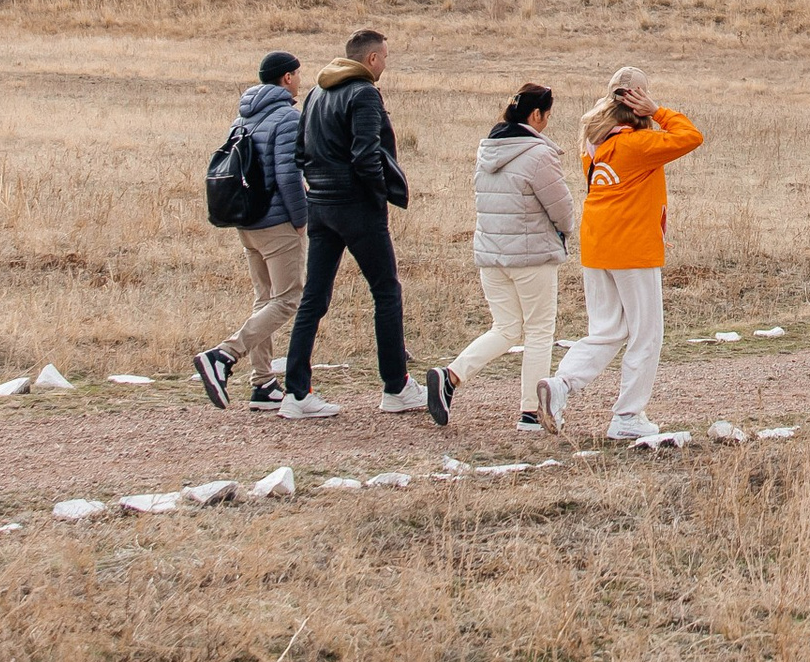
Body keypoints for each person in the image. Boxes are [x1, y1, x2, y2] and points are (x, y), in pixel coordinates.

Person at [543, 67, 703, 441]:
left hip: (598, 245)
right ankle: (628, 415)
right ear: (638, 101)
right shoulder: (637, 145)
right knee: (646, 334)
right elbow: (691, 137)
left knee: (607, 330)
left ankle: (561, 385)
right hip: (633, 249)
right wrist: (658, 110)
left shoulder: (594, 143)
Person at [280, 27, 419, 418]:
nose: (385, 65)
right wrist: (378, 196)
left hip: (319, 205)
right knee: (386, 292)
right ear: (372, 59)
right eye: (385, 58)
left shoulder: (316, 93)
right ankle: (396, 386)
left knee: (315, 297)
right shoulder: (364, 94)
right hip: (356, 206)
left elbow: (300, 152)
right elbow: (365, 155)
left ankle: (296, 392)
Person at [424, 83, 573, 431]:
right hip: (532, 256)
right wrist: (563, 232)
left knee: (505, 328)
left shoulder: (487, 150)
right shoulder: (539, 154)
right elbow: (563, 211)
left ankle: (451, 376)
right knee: (538, 331)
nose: (547, 122)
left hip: (491, 255)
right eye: (547, 115)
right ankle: (531, 412)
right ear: (536, 115)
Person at [193, 49, 307, 408]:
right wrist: (301, 220)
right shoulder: (288, 117)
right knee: (289, 299)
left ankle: (263, 384)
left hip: (247, 221)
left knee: (264, 299)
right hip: (277, 223)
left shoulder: (242, 117)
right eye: (298, 74)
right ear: (287, 77)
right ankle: (224, 355)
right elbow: (289, 176)